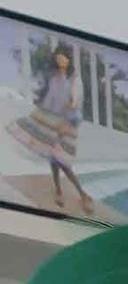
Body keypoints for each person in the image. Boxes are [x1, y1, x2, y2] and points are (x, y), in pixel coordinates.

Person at [9, 40, 92, 217]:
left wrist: (65, 123)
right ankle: (59, 190)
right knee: (53, 158)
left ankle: (82, 194)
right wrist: (38, 117)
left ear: (69, 59)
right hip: (50, 120)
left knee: (62, 161)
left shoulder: (75, 79)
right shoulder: (54, 77)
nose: (61, 60)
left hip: (67, 123)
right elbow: (49, 100)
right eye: (58, 57)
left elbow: (75, 103)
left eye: (64, 57)